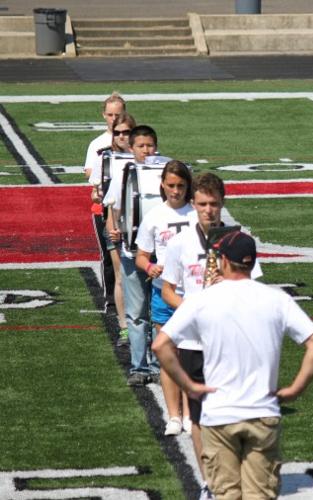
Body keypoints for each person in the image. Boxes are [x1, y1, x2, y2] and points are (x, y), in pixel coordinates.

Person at [154, 231, 313, 499]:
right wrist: (295, 389)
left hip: (219, 415)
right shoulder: (276, 298)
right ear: (252, 262)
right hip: (262, 413)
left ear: (223, 261)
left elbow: (160, 345)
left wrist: (188, 385)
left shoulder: (203, 300)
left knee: (225, 495)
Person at [161, 172, 263, 499]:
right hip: (194, 342)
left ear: (223, 204)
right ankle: (209, 481)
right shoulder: (179, 243)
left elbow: (254, 285)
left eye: (214, 205)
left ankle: (237, 474)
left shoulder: (237, 240)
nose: (208, 211)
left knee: (236, 412)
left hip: (231, 340)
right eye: (202, 204)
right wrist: (191, 309)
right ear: (193, 204)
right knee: (199, 415)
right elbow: (167, 291)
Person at [135, 160, 195, 436]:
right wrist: (151, 268)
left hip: (193, 294)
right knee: (168, 355)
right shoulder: (154, 216)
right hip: (163, 292)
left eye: (181, 186)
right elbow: (141, 256)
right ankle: (173, 414)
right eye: (171, 186)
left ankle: (189, 413)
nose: (176, 191)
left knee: (190, 357)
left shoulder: (197, 213)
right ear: (162, 185)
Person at [104, 125, 160, 386]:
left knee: (160, 311)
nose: (146, 150)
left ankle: (160, 363)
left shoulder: (166, 170)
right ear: (132, 148)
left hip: (161, 254)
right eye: (141, 146)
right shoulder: (124, 173)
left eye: (150, 145)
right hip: (130, 250)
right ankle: (140, 365)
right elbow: (113, 209)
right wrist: (114, 230)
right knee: (136, 313)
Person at [85, 93, 125, 313]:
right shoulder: (98, 144)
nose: (113, 118)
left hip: (128, 210)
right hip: (104, 208)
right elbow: (92, 175)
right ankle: (111, 297)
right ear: (104, 115)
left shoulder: (134, 142)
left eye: (117, 114)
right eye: (109, 114)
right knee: (109, 256)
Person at [102, 112, 137, 347]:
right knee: (121, 277)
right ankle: (125, 328)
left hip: (141, 228)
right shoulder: (106, 157)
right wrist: (114, 228)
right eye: (118, 132)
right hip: (115, 223)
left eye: (127, 132)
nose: (122, 136)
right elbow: (108, 201)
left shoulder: (150, 160)